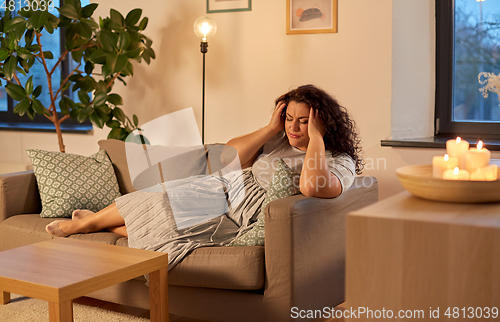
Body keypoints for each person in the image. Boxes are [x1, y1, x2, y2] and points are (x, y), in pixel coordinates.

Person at [45, 84, 363, 269]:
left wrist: (317, 138)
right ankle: (84, 224)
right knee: (158, 197)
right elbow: (230, 155)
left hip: (241, 213)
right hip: (223, 190)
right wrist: (270, 127)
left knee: (168, 227)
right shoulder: (280, 137)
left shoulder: (339, 160)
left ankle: (91, 223)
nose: (293, 128)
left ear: (323, 122)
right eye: (289, 118)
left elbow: (311, 186)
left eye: (304, 121)